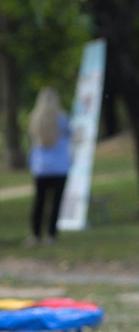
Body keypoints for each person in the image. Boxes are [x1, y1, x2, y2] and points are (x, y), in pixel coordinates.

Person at [26, 87, 71, 246]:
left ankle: (35, 234)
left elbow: (31, 141)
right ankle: (51, 234)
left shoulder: (35, 118)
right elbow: (70, 134)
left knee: (39, 201)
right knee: (56, 202)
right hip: (60, 166)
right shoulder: (62, 118)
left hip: (41, 167)